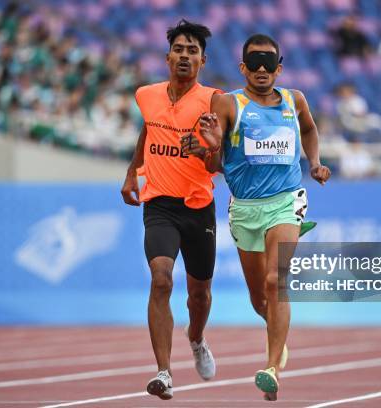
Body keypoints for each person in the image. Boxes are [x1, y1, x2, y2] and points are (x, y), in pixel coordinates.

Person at [183, 34, 331, 401]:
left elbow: (310, 129)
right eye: (255, 63)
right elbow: (213, 163)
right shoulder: (228, 102)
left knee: (274, 278)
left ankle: (272, 368)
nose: (262, 70)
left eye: (270, 64)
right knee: (259, 299)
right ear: (242, 67)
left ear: (279, 68)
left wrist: (314, 163)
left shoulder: (295, 100)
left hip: (286, 201)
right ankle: (278, 337)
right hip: (245, 208)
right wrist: (212, 146)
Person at [120, 19, 222, 401]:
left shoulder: (214, 101)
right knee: (161, 279)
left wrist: (208, 150)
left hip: (198, 206)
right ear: (167, 57)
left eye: (192, 51)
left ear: (203, 61)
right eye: (179, 49)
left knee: (200, 294)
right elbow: (148, 130)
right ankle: (163, 372)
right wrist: (133, 172)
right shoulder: (146, 94)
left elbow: (220, 164)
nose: (184, 55)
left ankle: (196, 338)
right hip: (159, 202)